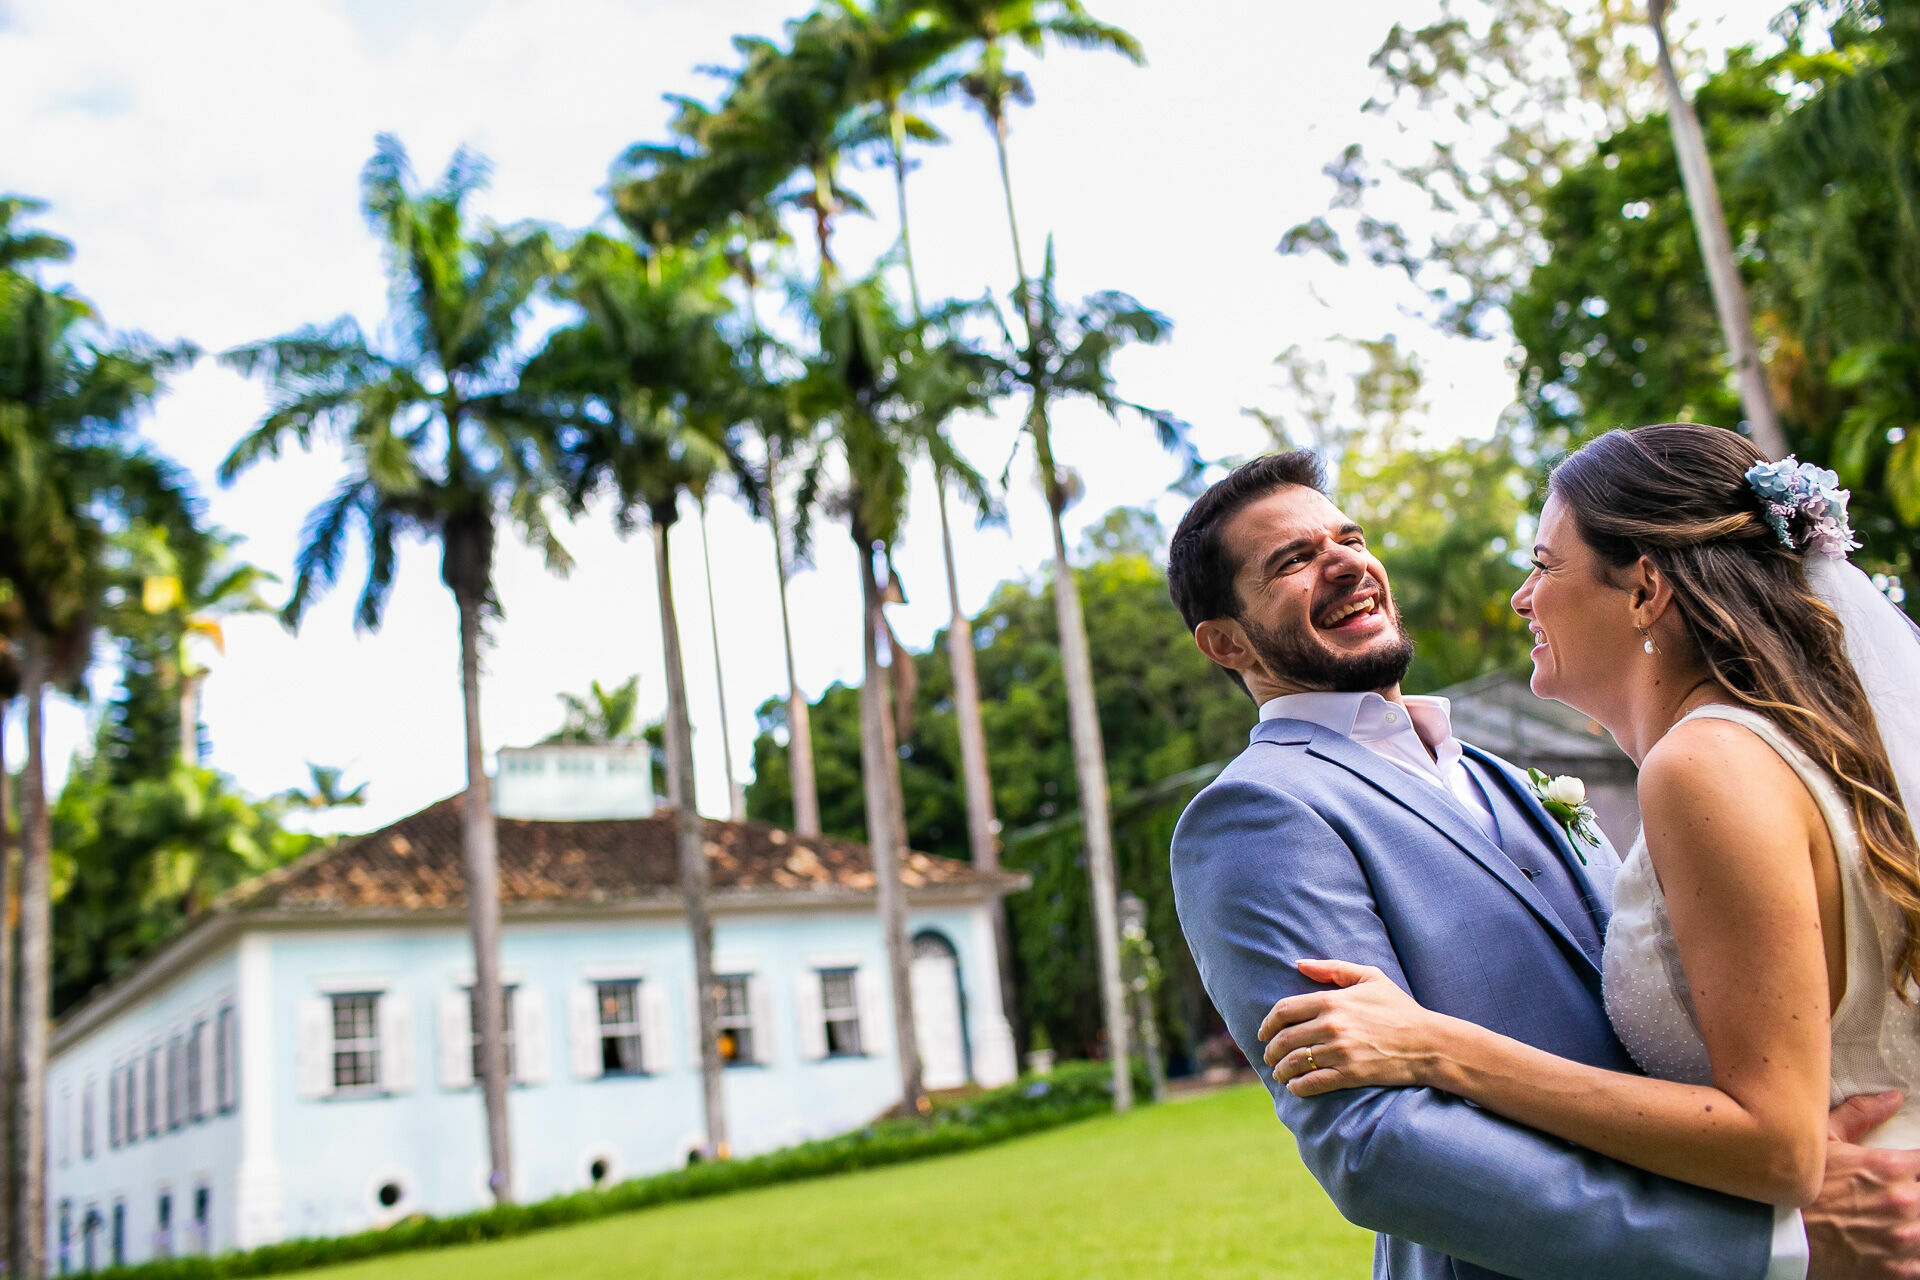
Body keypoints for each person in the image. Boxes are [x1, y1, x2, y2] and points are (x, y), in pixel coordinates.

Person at [1166, 440, 1920, 1280]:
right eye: (1294, 562)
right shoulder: (1256, 814)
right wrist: (1766, 1242)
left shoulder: (1503, 772)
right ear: (1226, 644)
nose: (1345, 565)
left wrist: (1791, 1152)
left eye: (1349, 538)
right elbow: (1375, 1143)